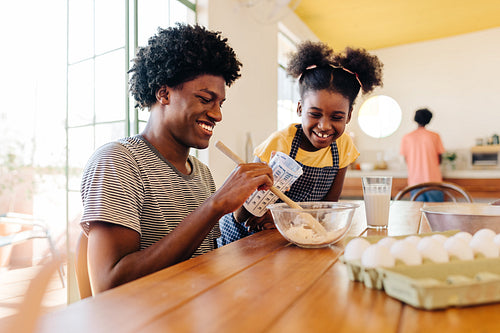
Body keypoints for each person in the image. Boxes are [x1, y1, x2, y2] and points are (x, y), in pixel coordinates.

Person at [79, 23, 274, 294]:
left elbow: (201, 261)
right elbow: (110, 284)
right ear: (164, 93)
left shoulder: (201, 172)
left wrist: (249, 220)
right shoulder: (119, 161)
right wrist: (215, 205)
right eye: (206, 99)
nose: (217, 115)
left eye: (220, 104)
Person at [217, 41, 384, 246]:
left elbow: (328, 206)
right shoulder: (279, 144)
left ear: (349, 116)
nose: (324, 126)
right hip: (245, 239)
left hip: (292, 235)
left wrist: (287, 219)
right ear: (299, 109)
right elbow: (242, 214)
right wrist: (269, 213)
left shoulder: (343, 147)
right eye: (314, 114)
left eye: (337, 117)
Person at [400, 108, 446, 202]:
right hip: (433, 180)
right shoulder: (435, 136)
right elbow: (440, 159)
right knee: (436, 212)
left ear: (415, 119)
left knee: (417, 212)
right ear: (429, 120)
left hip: (415, 181)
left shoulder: (407, 137)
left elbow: (406, 159)